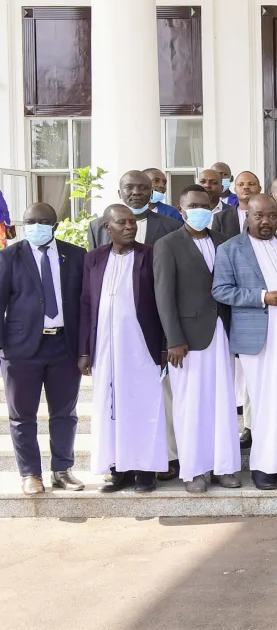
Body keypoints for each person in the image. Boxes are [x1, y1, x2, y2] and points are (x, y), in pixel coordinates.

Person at [212, 194, 277, 490]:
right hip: (258, 336)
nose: (267, 221)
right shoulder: (230, 249)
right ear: (247, 215)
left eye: (271, 216)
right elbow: (221, 290)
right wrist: (262, 297)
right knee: (264, 402)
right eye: (260, 216)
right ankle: (262, 467)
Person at [153, 186, 241, 493]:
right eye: (193, 205)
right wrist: (173, 339)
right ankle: (194, 471)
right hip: (187, 340)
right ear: (181, 209)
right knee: (191, 405)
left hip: (222, 332)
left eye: (205, 205)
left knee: (223, 402)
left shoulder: (223, 241)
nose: (200, 210)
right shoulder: (167, 244)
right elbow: (163, 297)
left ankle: (224, 467)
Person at [79, 205, 167, 493]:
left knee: (143, 404)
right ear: (108, 228)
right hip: (105, 346)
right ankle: (118, 469)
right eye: (123, 222)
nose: (130, 226)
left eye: (133, 222)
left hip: (142, 344)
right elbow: (86, 304)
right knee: (110, 406)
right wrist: (84, 350)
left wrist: (166, 345)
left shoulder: (151, 254)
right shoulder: (94, 258)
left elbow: (164, 302)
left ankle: (145, 469)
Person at [0, 203, 86, 495]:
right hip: (21, 349)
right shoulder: (9, 257)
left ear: (55, 225)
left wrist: (85, 347)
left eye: (43, 221)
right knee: (22, 415)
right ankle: (30, 474)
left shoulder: (75, 256)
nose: (36, 226)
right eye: (30, 222)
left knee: (65, 413)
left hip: (64, 345)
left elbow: (84, 304)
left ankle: (62, 470)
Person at [88, 170, 181, 248]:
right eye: (129, 187)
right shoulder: (97, 227)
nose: (136, 192)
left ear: (151, 194)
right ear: (120, 193)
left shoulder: (172, 227)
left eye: (143, 188)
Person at [211, 170, 261, 239]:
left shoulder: (268, 215)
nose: (245, 187)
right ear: (235, 189)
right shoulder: (220, 218)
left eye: (251, 184)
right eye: (241, 184)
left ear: (259, 189)